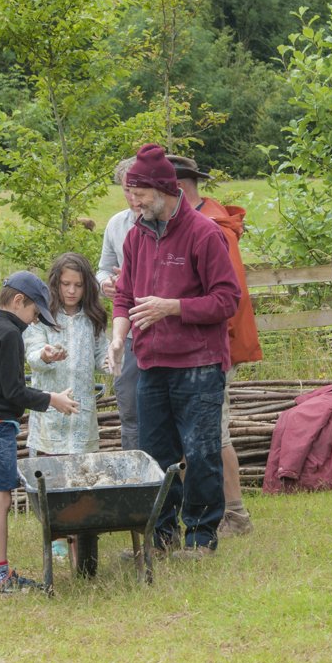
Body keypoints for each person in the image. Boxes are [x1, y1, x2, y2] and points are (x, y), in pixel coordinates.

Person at [105, 143, 240, 558]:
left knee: (200, 453)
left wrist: (173, 308)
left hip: (198, 364)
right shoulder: (135, 236)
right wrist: (116, 339)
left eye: (140, 194)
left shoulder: (204, 234)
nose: (134, 202)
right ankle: (160, 538)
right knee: (155, 454)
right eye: (131, 194)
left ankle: (200, 537)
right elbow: (124, 295)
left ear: (163, 190)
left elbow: (226, 300)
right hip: (150, 361)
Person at [165, 153, 264, 538]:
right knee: (205, 430)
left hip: (214, 346)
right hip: (204, 344)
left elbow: (225, 298)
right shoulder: (208, 219)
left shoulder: (210, 228)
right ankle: (222, 511)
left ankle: (234, 514)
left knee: (212, 431)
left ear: (175, 189)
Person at [0, 271, 78, 594]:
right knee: (1, 499)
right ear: (18, 302)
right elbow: (14, 393)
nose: (33, 320)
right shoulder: (11, 335)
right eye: (33, 313)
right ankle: (0, 577)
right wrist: (52, 399)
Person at [26, 253, 110, 456]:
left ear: (87, 286)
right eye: (66, 283)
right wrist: (45, 356)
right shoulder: (41, 316)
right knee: (47, 478)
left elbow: (101, 356)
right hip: (49, 419)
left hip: (82, 417)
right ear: (56, 283)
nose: (72, 290)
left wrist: (112, 360)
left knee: (81, 478)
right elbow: (32, 355)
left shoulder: (93, 318)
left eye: (78, 285)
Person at [97, 160, 143, 451]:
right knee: (129, 410)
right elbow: (103, 268)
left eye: (138, 188)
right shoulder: (116, 224)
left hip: (161, 332)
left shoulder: (169, 224)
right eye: (127, 189)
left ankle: (173, 488)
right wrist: (105, 284)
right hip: (125, 336)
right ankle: (137, 484)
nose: (133, 196)